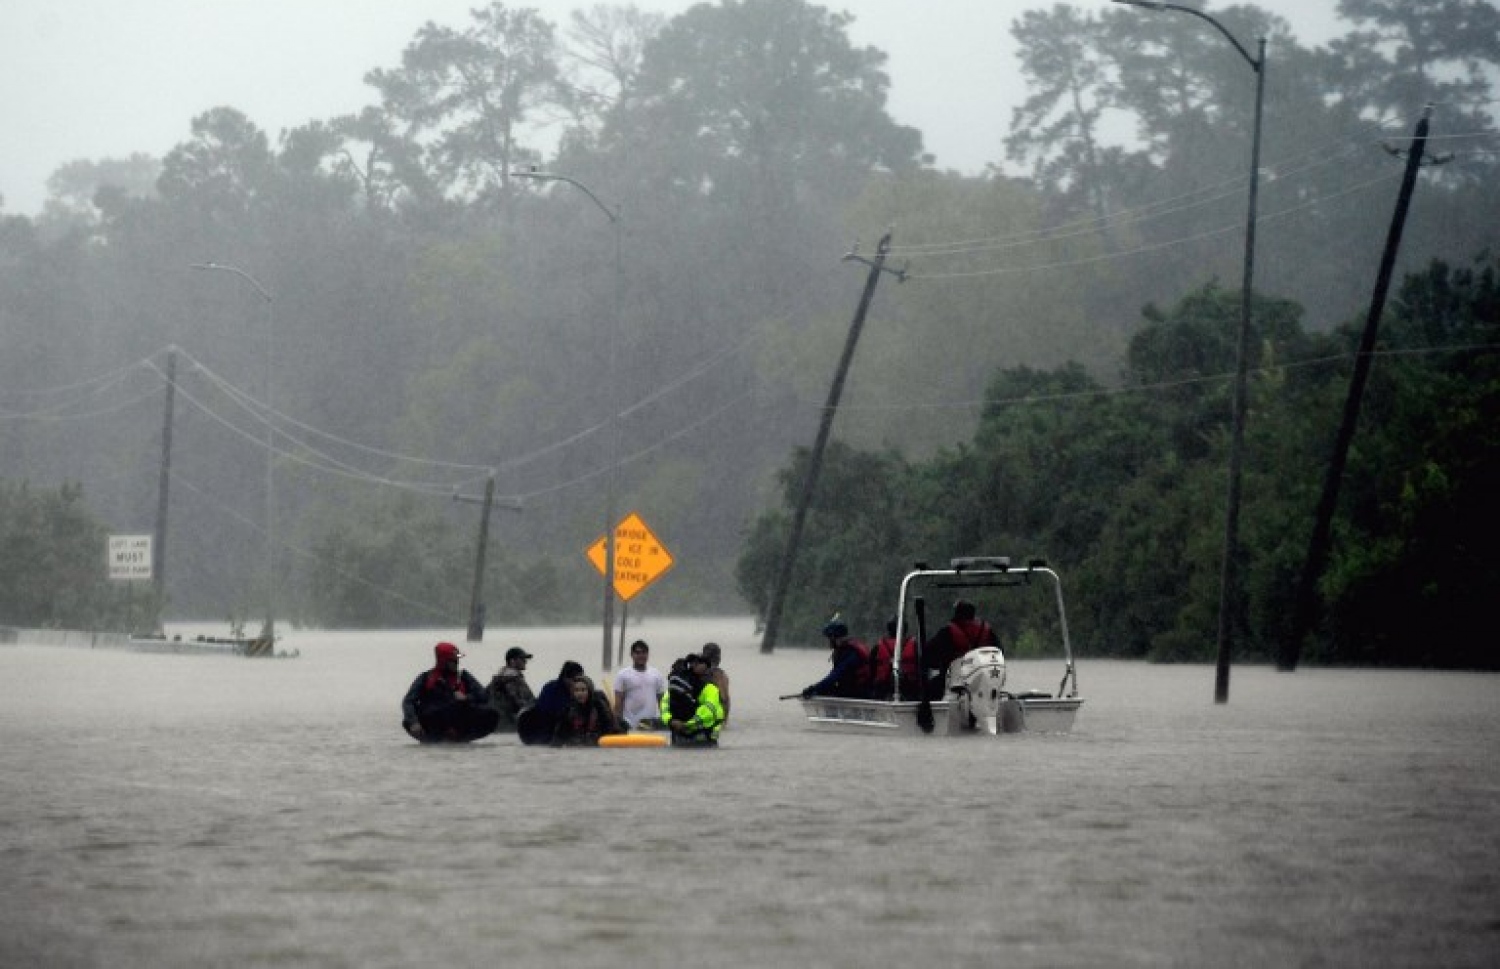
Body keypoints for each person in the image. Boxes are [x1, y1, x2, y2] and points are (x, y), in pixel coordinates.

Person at [401, 641, 500, 743]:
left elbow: (483, 696)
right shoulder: (425, 678)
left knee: (492, 713)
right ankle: (436, 738)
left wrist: (466, 697)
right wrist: (413, 722)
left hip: (460, 722)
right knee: (407, 721)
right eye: (453, 661)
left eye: (457, 660)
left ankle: (459, 736)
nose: (457, 663)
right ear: (443, 661)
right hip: (433, 721)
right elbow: (408, 702)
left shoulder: (463, 676)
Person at [921, 600, 1000, 698]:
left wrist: (938, 664)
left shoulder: (947, 632)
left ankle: (930, 710)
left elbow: (928, 657)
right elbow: (999, 655)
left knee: (930, 688)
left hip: (954, 680)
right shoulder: (988, 632)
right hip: (982, 680)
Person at [661, 653, 725, 747]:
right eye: (691, 662)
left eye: (698, 662)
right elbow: (665, 707)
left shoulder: (711, 689)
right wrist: (671, 721)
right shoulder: (677, 687)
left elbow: (708, 711)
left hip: (704, 739)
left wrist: (686, 724)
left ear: (706, 667)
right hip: (679, 737)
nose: (693, 665)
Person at [800, 617, 871, 699]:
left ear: (834, 637)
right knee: (824, 689)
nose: (829, 641)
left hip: (857, 692)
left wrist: (814, 688)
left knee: (823, 690)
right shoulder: (845, 650)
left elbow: (835, 676)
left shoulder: (850, 653)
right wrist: (816, 688)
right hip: (854, 689)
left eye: (829, 637)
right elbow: (834, 675)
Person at [520, 660, 584, 745]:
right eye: (576, 680)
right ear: (566, 678)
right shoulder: (552, 689)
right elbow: (552, 713)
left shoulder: (575, 690)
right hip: (544, 732)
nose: (579, 683)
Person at [551, 675, 622, 746]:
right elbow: (558, 737)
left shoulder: (599, 707)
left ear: (589, 691)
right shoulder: (568, 710)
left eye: (583, 690)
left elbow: (611, 730)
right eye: (576, 690)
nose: (579, 693)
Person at [613, 639, 666, 729]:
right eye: (637, 653)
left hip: (651, 723)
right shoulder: (623, 675)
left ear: (648, 655)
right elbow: (618, 704)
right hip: (629, 723)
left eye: (644, 653)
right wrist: (617, 724)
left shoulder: (656, 674)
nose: (641, 656)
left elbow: (662, 701)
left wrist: (664, 721)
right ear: (632, 655)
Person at [487, 646, 535, 732]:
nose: (525, 661)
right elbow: (519, 703)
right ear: (512, 661)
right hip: (509, 725)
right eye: (522, 659)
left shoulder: (500, 678)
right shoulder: (511, 679)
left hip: (499, 724)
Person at [869, 618, 919, 700]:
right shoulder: (915, 646)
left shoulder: (877, 647)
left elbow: (872, 670)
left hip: (883, 688)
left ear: (889, 630)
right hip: (909, 688)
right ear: (905, 630)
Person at [701, 642, 731, 725]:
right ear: (718, 658)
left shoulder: (693, 670)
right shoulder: (719, 675)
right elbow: (724, 698)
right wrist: (724, 721)